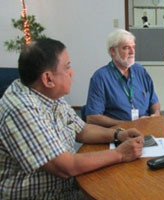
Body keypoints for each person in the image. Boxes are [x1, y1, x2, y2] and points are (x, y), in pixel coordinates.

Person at [0, 38, 144, 199]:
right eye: (67, 67)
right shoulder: (20, 108)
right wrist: (120, 154)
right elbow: (65, 167)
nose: (72, 72)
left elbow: (82, 130)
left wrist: (118, 134)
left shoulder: (49, 94)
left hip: (69, 185)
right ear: (48, 78)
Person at [85, 29, 161, 127]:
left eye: (133, 47)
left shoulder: (141, 71)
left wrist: (156, 114)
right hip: (119, 132)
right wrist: (128, 124)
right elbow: (92, 117)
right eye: (126, 48)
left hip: (146, 128)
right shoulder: (100, 77)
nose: (132, 52)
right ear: (113, 51)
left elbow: (154, 101)